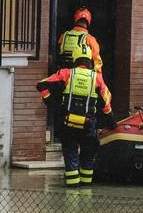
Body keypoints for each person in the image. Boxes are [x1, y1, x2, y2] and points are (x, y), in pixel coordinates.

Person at [37, 42, 114, 186]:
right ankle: (86, 189)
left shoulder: (66, 73)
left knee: (70, 153)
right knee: (88, 155)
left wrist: (53, 106)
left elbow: (41, 85)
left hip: (68, 124)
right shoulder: (97, 78)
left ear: (75, 59)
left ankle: (72, 188)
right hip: (88, 126)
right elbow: (106, 102)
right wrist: (111, 121)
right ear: (90, 60)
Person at [56, 6, 103, 72]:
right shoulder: (90, 39)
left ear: (75, 19)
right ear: (89, 21)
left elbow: (57, 54)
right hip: (81, 77)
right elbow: (97, 62)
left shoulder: (63, 36)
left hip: (63, 75)